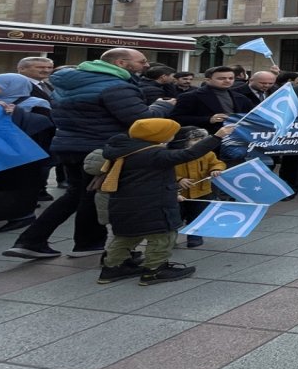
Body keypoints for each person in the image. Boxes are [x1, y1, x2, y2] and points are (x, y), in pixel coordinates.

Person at [4, 48, 174, 259]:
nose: (147, 65)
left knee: (77, 194)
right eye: (142, 61)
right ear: (121, 63)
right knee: (93, 195)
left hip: (69, 145)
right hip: (99, 147)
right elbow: (141, 120)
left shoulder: (70, 82)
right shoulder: (115, 86)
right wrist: (161, 106)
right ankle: (87, 244)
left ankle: (32, 241)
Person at [96, 119, 234, 285]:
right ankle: (155, 270)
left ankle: (112, 268)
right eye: (170, 132)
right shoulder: (153, 153)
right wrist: (216, 137)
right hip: (153, 206)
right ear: (157, 135)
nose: (174, 136)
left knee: (127, 236)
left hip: (125, 204)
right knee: (162, 236)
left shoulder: (126, 149)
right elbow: (189, 154)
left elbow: (147, 180)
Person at [0, 74, 53, 236]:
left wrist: (16, 113)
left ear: (11, 86)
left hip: (19, 156)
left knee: (16, 186)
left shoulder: (36, 103)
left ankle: (21, 216)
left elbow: (44, 126)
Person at [168, 126, 226, 248]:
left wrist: (215, 169)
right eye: (195, 139)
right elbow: (166, 172)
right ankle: (170, 240)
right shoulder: (174, 155)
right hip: (179, 193)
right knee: (175, 217)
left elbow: (217, 163)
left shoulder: (207, 154)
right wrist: (179, 179)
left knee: (197, 216)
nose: (200, 142)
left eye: (202, 139)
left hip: (201, 191)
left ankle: (194, 237)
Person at [170, 66, 254, 135]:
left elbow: (251, 117)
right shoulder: (190, 96)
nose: (227, 81)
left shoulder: (241, 98)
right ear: (208, 80)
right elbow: (176, 119)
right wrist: (209, 119)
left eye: (231, 78)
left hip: (236, 138)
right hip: (206, 139)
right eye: (221, 78)